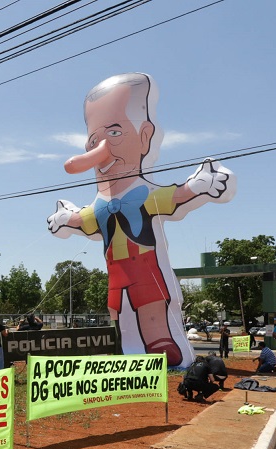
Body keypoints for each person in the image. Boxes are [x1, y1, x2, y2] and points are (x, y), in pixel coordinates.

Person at [47, 73, 235, 368]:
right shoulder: (98, 206)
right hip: (115, 272)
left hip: (145, 263)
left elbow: (174, 197)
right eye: (93, 141)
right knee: (118, 310)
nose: (101, 149)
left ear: (145, 136)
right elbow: (80, 220)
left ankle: (160, 341)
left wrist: (199, 186)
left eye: (115, 133)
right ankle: (126, 347)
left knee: (150, 303)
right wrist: (64, 218)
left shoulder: (145, 194)